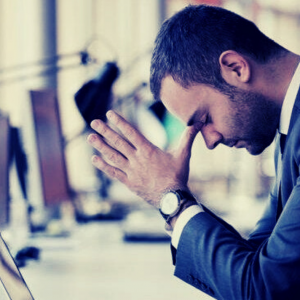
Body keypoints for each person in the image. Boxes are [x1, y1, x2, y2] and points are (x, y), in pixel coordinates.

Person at [87, 4, 300, 300]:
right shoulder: (289, 126)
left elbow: (264, 289)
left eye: (205, 119)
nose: (210, 141)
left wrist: (170, 198)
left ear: (236, 68)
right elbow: (256, 258)